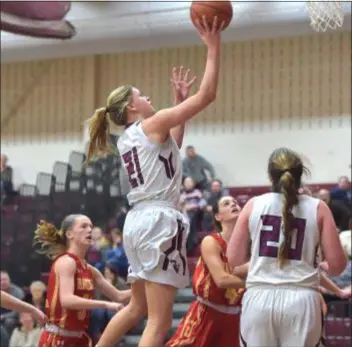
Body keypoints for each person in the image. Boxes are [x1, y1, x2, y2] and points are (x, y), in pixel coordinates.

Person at [86, 16, 224, 347]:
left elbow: (171, 144)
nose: (148, 97)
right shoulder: (153, 123)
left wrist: (178, 103)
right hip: (160, 221)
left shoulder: (130, 137)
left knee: (136, 308)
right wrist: (214, 45)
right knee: (159, 321)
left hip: (137, 222)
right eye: (142, 94)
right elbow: (207, 96)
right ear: (133, 106)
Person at [227, 147, 347, 347]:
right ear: (301, 174)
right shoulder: (318, 207)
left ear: (270, 175)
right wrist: (321, 262)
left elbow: (233, 260)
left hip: (259, 299)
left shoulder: (253, 205)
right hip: (302, 301)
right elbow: (337, 266)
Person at [33, 214, 130, 347]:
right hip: (58, 339)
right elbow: (67, 299)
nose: (89, 229)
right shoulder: (66, 262)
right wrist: (106, 305)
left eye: (90, 226)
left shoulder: (89, 269)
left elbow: (119, 296)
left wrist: (147, 286)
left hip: (80, 339)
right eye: (84, 226)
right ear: (69, 234)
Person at [166, 196, 245, 347]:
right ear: (218, 216)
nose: (233, 204)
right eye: (226, 203)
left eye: (235, 202)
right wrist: (255, 282)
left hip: (234, 317)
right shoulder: (211, 241)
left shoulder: (248, 244)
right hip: (207, 312)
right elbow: (221, 280)